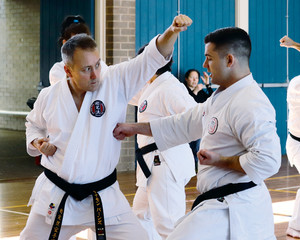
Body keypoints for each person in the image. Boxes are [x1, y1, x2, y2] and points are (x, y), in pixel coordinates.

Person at [20, 14, 193, 240]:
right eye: (86, 69)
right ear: (68, 71)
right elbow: (33, 125)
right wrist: (38, 142)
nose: (95, 75)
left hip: (103, 195)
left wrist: (172, 31)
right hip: (57, 193)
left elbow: (150, 58)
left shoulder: (114, 81)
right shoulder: (49, 96)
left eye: (98, 65)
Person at [113, 27, 281, 239]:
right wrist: (134, 128)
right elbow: (184, 123)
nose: (204, 65)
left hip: (237, 207)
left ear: (229, 60)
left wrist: (221, 160)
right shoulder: (222, 96)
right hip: (219, 203)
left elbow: (268, 160)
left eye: (209, 58)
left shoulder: (251, 102)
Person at [129, 46, 196, 239]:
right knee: (140, 216)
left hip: (164, 164)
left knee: (169, 226)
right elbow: (126, 91)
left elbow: (194, 118)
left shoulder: (170, 88)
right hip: (151, 165)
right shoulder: (152, 85)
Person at [49, 15, 107, 86]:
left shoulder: (102, 66)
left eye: (85, 42)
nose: (94, 75)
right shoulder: (58, 70)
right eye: (76, 43)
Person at [280, 35, 300, 238]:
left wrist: (293, 45)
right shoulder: (297, 86)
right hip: (297, 145)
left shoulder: (295, 81)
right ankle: (296, 228)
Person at [184, 69, 214, 172]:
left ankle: (195, 169)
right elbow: (188, 104)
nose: (194, 80)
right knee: (187, 149)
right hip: (186, 125)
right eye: (192, 78)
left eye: (196, 78)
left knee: (197, 148)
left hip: (199, 124)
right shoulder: (183, 91)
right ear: (186, 79)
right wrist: (195, 91)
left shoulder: (201, 91)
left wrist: (208, 85)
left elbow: (212, 100)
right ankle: (188, 169)